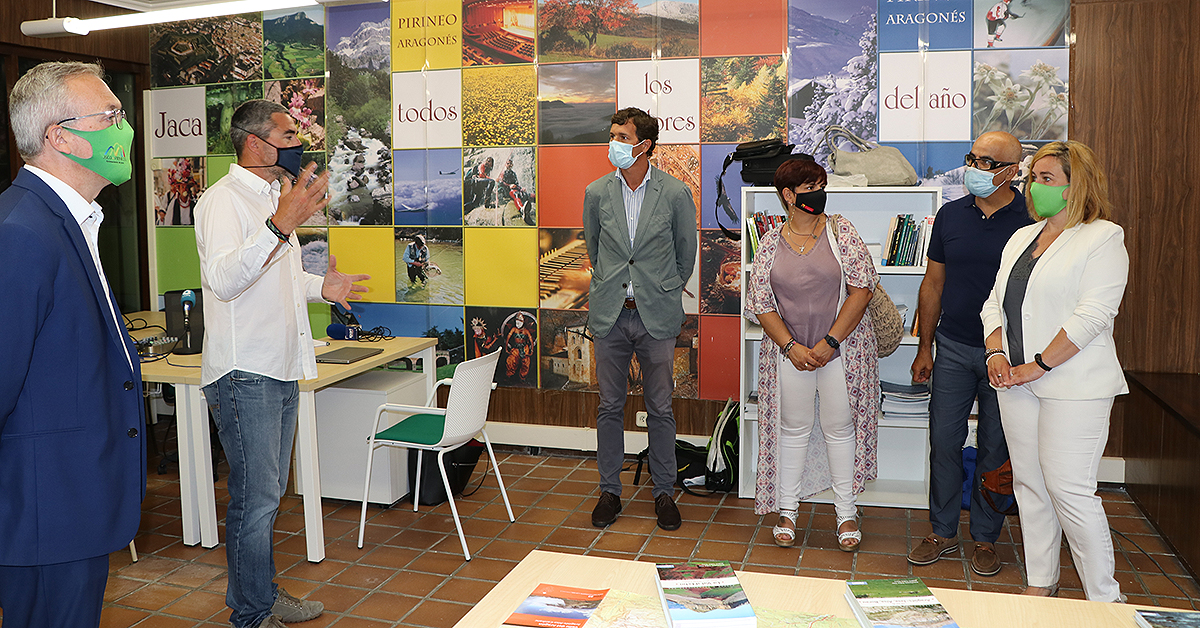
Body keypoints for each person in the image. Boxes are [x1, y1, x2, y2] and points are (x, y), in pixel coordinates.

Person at [195, 99, 370, 628]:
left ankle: (262, 595)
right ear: (256, 142)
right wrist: (279, 225)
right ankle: (251, 613)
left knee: (267, 497)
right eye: (289, 134)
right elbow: (223, 281)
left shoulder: (275, 198)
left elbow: (278, 278)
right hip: (244, 370)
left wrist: (324, 288)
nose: (299, 143)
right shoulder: (221, 202)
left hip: (279, 365)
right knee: (256, 498)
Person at [0, 61, 145, 628]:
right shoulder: (21, 233)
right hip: (41, 512)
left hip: (70, 502)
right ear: (60, 136)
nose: (124, 128)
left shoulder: (67, 220)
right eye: (110, 115)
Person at [981, 140, 1128, 601]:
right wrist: (996, 354)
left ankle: (1104, 598)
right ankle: (1041, 581)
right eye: (1032, 177)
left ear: (1076, 187)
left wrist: (1038, 365)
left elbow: (1092, 315)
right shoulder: (1022, 237)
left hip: (1073, 385)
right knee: (1030, 485)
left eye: (1046, 179)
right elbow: (994, 304)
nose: (1033, 186)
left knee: (1070, 491)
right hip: (1016, 382)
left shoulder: (1104, 237)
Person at [907, 131, 1032, 576]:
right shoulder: (949, 215)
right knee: (943, 440)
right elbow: (933, 283)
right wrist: (925, 346)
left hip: (1009, 357)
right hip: (954, 348)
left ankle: (985, 537)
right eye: (972, 159)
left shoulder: (1031, 220)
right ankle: (941, 531)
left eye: (987, 162)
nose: (975, 169)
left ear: (1012, 172)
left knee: (995, 450)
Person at [744, 159, 879, 551]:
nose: (819, 193)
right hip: (790, 354)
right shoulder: (769, 242)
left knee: (840, 429)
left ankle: (847, 515)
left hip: (842, 352)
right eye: (810, 187)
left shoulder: (841, 231)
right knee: (793, 429)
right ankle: (787, 511)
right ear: (788, 196)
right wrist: (790, 347)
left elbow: (862, 290)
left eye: (822, 185)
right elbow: (761, 302)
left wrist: (829, 343)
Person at [582, 107, 697, 531]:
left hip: (656, 315)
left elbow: (686, 251)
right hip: (611, 314)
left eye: (622, 137)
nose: (613, 143)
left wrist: (663, 286)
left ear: (644, 145)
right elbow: (596, 250)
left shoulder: (675, 193)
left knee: (660, 408)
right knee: (609, 406)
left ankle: (664, 492)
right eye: (612, 134)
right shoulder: (596, 193)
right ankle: (609, 491)